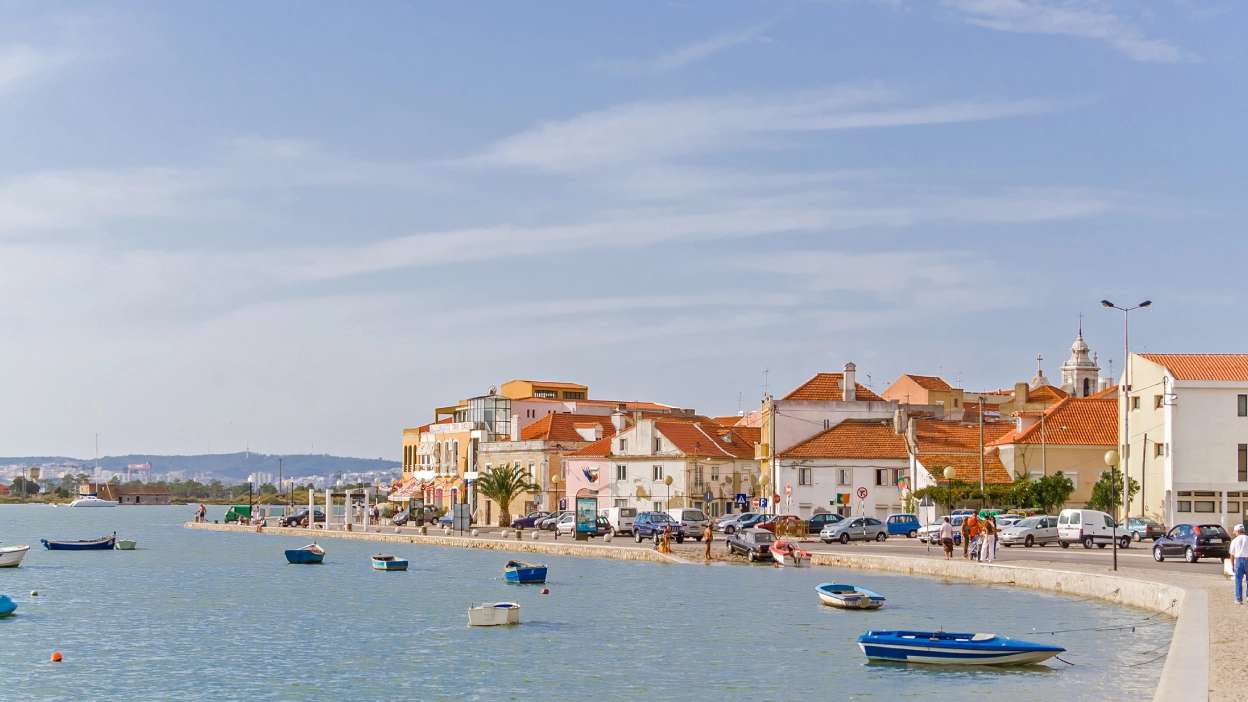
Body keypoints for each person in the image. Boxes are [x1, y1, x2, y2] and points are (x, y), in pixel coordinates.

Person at [1230, 524, 1248, 604]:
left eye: (1235, 532)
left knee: (1238, 580)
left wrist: (1232, 565)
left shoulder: (1234, 540)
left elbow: (1232, 554)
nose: (1234, 533)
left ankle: (1238, 599)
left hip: (1239, 560)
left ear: (1237, 531)